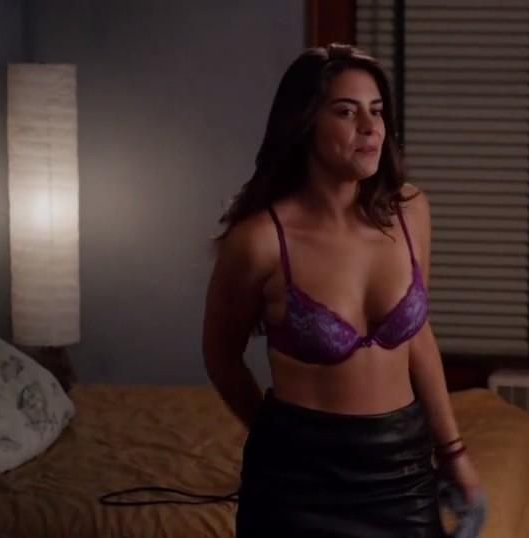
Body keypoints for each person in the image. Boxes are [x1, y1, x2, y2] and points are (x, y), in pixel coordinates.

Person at [202, 44, 481, 537]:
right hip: (297, 486)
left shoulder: (411, 212)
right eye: (346, 112)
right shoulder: (261, 240)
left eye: (377, 111)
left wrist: (454, 452)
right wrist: (274, 437)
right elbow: (221, 356)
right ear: (305, 123)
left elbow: (417, 337)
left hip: (402, 473)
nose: (370, 127)